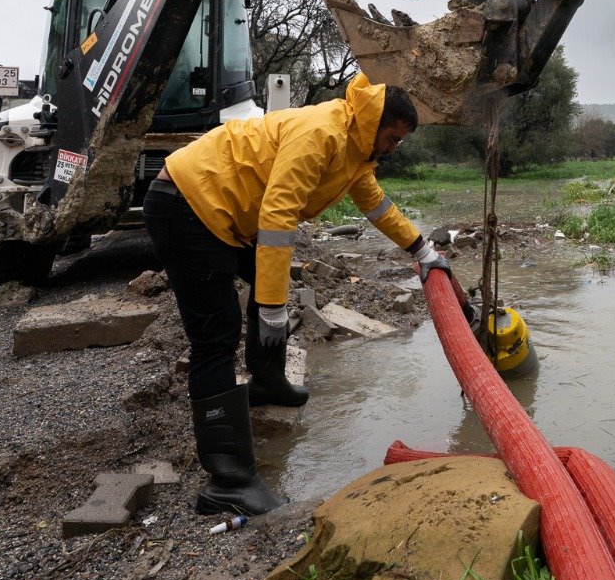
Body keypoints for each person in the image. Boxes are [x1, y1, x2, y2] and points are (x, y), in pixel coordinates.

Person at [142, 73, 465, 516]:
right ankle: (229, 481)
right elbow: (278, 212)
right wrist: (273, 306)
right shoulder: (322, 132)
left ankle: (267, 382)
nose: (392, 149)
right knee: (215, 336)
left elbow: (377, 206)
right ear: (375, 123)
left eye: (399, 143)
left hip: (221, 209)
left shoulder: (356, 150)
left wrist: (423, 249)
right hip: (188, 203)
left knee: (264, 283)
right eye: (391, 138)